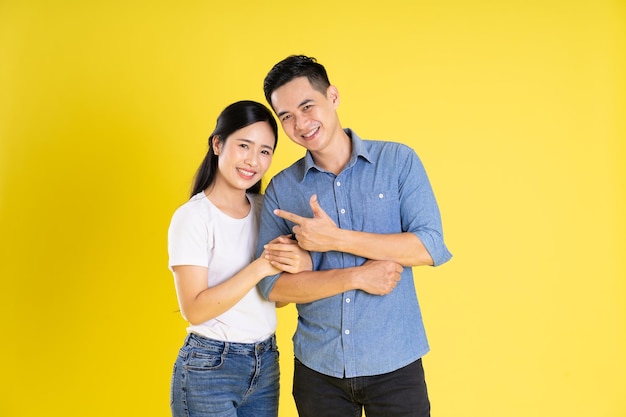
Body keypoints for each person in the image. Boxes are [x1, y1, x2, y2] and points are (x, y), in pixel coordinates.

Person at [257, 56, 452, 417]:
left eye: (307, 106)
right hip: (319, 370)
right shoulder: (283, 189)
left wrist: (335, 240)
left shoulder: (398, 161)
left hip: (396, 363)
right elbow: (273, 288)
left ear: (332, 96)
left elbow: (429, 246)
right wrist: (357, 276)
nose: (300, 124)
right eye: (286, 117)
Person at [168, 100, 312, 417]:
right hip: (209, 367)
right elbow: (194, 310)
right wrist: (261, 266)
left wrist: (296, 264)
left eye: (264, 151)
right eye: (244, 145)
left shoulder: (265, 208)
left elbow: (274, 299)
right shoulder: (192, 217)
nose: (253, 160)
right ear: (218, 144)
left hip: (266, 362)